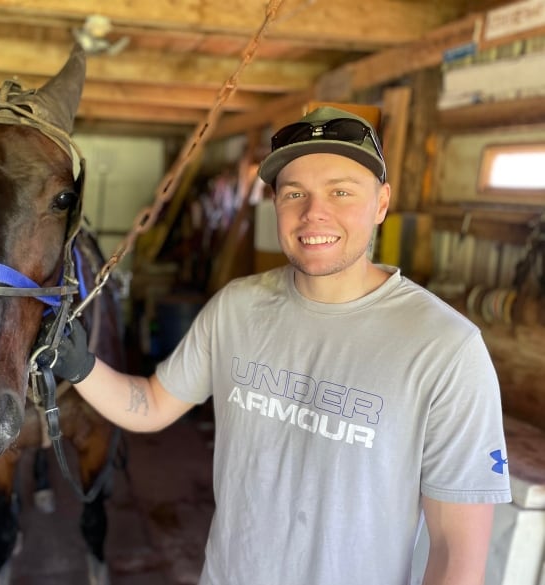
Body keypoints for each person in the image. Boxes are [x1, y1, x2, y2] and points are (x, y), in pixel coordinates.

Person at [43, 106, 512, 585]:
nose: (314, 213)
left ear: (382, 203)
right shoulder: (238, 308)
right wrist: (79, 365)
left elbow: (456, 551)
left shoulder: (446, 349)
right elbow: (153, 405)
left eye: (341, 191)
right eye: (294, 193)